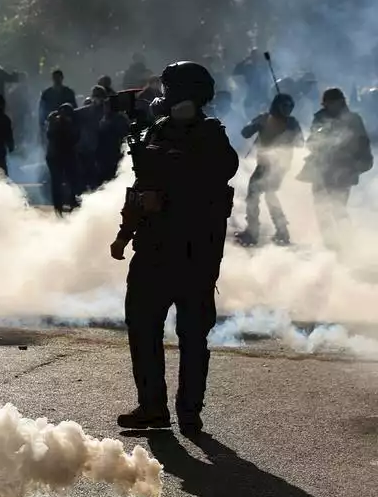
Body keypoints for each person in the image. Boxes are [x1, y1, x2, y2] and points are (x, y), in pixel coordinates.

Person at [110, 61, 238, 433]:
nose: (162, 97)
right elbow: (141, 190)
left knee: (192, 334)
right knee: (143, 326)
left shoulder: (212, 138)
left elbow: (218, 175)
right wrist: (124, 234)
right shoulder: (157, 132)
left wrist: (171, 185)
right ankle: (153, 407)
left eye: (169, 91)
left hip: (193, 252)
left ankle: (188, 410)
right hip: (153, 249)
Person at [297, 87, 374, 253]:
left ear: (341, 102)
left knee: (337, 208)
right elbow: (311, 142)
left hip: (343, 170)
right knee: (320, 208)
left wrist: (359, 164)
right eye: (328, 103)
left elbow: (363, 144)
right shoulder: (319, 119)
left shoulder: (353, 120)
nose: (330, 106)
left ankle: (348, 242)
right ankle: (330, 245)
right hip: (321, 170)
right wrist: (318, 141)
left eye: (333, 103)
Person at [234, 94, 303, 246]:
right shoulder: (265, 119)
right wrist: (256, 125)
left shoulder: (291, 123)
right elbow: (245, 133)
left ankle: (254, 232)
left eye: (289, 107)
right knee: (266, 195)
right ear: (276, 106)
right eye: (283, 106)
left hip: (278, 165)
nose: (287, 110)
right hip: (265, 164)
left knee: (256, 194)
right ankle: (280, 231)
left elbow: (300, 143)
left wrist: (291, 132)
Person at [45, 103, 81, 213]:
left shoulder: (71, 123)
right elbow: (51, 135)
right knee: (57, 182)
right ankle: (59, 207)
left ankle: (71, 202)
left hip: (65, 155)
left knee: (71, 180)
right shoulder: (55, 123)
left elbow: (75, 138)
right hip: (56, 156)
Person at [39, 70, 77, 137]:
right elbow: (42, 111)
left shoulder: (68, 92)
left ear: (62, 78)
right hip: (51, 125)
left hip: (66, 126)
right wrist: (42, 126)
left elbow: (74, 109)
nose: (57, 80)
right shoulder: (46, 93)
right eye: (55, 78)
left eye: (58, 78)